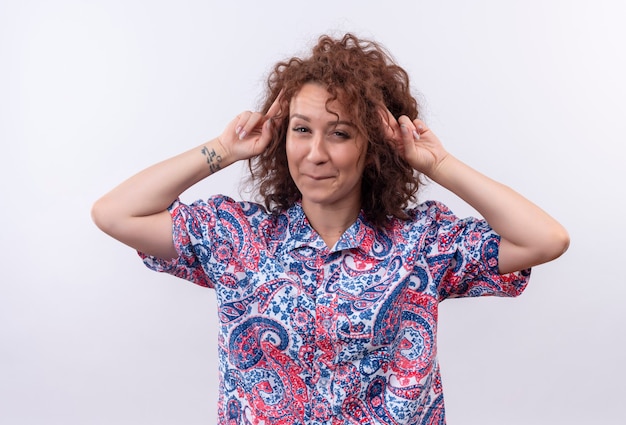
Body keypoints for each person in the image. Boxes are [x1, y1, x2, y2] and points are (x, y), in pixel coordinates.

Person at [91, 33, 569, 425]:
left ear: (373, 147)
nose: (315, 152)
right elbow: (114, 213)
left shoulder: (423, 244)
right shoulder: (236, 237)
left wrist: (435, 163)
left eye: (339, 133)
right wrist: (224, 149)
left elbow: (546, 239)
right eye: (301, 130)